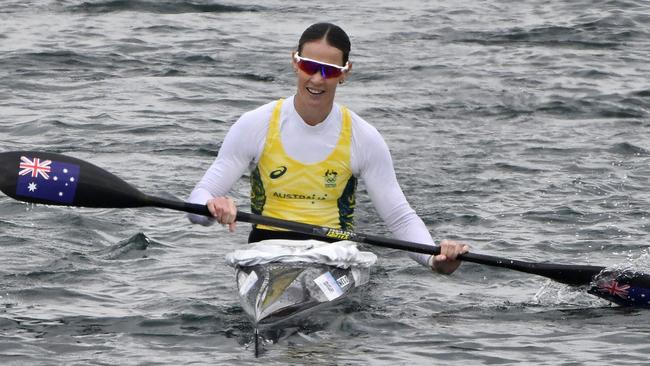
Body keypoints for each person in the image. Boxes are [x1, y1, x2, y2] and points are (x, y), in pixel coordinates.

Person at [187, 22, 468, 274]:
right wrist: (212, 207)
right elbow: (197, 202)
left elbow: (399, 218)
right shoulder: (256, 124)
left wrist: (434, 259)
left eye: (330, 70)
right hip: (267, 253)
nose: (318, 79)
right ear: (294, 62)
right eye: (309, 66)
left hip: (334, 256)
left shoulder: (363, 138)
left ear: (345, 73)